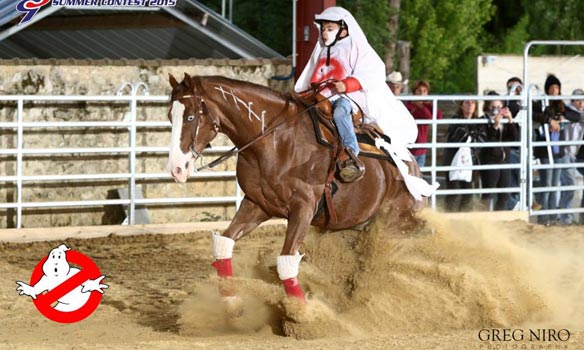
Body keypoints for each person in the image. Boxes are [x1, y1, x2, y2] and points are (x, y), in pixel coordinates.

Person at [294, 6, 418, 183]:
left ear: (343, 28)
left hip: (347, 98)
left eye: (330, 29)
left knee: (339, 113)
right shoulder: (323, 50)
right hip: (321, 96)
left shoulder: (356, 46)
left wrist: (347, 84)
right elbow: (316, 75)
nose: (324, 33)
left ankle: (351, 153)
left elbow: (373, 71)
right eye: (323, 29)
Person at [533, 75, 582, 225]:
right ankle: (543, 217)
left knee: (554, 185)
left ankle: (552, 217)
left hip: (558, 150)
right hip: (544, 149)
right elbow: (535, 114)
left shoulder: (560, 105)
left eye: (557, 87)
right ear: (547, 89)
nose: (555, 90)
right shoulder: (541, 103)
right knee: (547, 184)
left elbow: (576, 115)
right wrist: (549, 120)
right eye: (552, 87)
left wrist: (560, 116)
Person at [443, 99, 485, 212]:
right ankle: (448, 216)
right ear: (461, 106)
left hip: (471, 161)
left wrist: (470, 138)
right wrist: (472, 137)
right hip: (453, 161)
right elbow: (460, 137)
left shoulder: (478, 122)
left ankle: (462, 216)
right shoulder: (456, 120)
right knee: (454, 192)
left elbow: (481, 140)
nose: (470, 105)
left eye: (472, 103)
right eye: (467, 102)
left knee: (467, 193)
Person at [479, 92, 518, 211]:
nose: (496, 110)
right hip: (490, 160)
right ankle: (483, 218)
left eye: (499, 107)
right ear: (487, 107)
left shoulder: (505, 121)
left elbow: (515, 139)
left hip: (504, 160)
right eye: (493, 107)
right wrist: (495, 126)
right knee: (488, 193)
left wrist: (510, 121)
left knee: (504, 195)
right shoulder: (483, 120)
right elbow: (487, 142)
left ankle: (497, 218)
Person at [405, 80, 443, 167]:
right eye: (419, 91)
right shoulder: (410, 106)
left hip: (421, 150)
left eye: (424, 91)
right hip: (410, 150)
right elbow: (428, 117)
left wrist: (428, 104)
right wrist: (421, 106)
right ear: (414, 93)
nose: (422, 94)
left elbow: (439, 116)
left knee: (419, 177)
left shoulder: (426, 106)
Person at [560, 89, 584, 225]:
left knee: (565, 185)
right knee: (569, 185)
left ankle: (566, 217)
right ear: (572, 101)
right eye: (578, 100)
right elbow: (569, 114)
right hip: (563, 153)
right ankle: (565, 218)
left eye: (583, 100)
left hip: (573, 155)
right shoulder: (567, 111)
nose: (581, 103)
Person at [503, 77, 523, 210]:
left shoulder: (527, 103)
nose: (514, 91)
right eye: (511, 87)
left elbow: (540, 113)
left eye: (517, 88)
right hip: (510, 149)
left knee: (520, 184)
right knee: (510, 184)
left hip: (523, 149)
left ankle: (518, 207)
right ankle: (514, 208)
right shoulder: (506, 104)